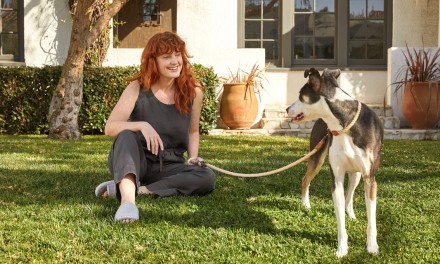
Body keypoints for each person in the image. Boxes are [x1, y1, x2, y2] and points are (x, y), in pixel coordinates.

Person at [95, 31, 216, 223]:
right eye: (167, 57)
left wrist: (193, 157)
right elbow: (110, 127)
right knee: (125, 134)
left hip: (170, 166)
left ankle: (138, 189)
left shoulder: (194, 91)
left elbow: (193, 131)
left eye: (178, 55)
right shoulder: (137, 87)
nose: (175, 61)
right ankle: (127, 202)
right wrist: (142, 125)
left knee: (207, 177)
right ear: (154, 61)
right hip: (137, 162)